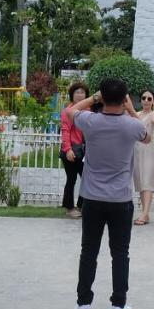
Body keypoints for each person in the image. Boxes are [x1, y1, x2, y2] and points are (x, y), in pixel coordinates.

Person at [65, 79, 150, 309]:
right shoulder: (131, 126)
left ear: (102, 97)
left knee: (88, 251)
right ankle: (118, 306)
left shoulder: (91, 121)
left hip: (92, 197)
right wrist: (132, 109)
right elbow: (147, 138)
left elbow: (71, 111)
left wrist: (93, 99)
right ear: (125, 98)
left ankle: (84, 304)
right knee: (120, 253)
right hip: (121, 199)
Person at [132, 89, 154, 225]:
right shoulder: (136, 114)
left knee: (148, 181)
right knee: (140, 182)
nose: (146, 101)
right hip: (137, 150)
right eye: (144, 98)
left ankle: (144, 214)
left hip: (149, 149)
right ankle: (145, 213)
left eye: (149, 99)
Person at [60, 82, 90, 217]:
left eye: (82, 92)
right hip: (72, 150)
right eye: (77, 92)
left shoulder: (90, 110)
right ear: (72, 94)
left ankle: (82, 206)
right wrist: (68, 149)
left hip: (86, 151)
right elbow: (65, 131)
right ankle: (69, 208)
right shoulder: (68, 111)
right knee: (71, 179)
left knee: (87, 178)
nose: (79, 95)